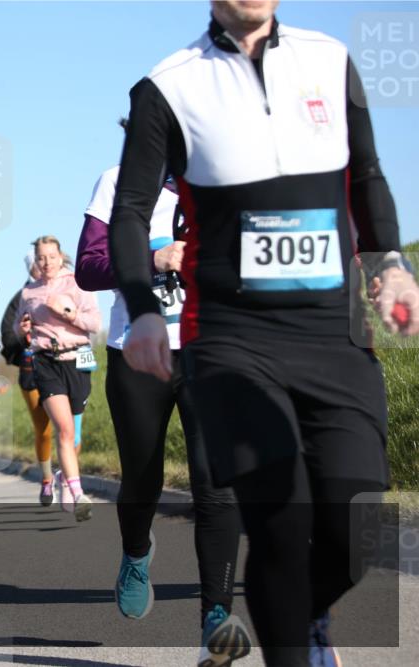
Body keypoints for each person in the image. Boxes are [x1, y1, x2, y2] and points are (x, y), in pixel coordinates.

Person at [107, 2, 419, 665]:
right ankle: (289, 637)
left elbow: (366, 176)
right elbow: (129, 212)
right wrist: (140, 310)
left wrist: (389, 263)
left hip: (335, 334)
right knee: (279, 527)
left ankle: (295, 617)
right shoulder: (169, 85)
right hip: (232, 341)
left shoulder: (329, 60)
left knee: (356, 523)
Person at [77, 160, 248, 665]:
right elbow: (88, 266)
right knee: (141, 481)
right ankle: (135, 552)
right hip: (137, 350)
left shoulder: (231, 178)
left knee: (215, 485)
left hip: (212, 350)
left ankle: (215, 619)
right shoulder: (119, 180)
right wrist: (156, 257)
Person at [14, 235, 100, 520]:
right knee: (63, 429)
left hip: (78, 359)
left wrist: (66, 312)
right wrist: (23, 329)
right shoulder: (29, 293)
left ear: (60, 256)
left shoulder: (78, 282)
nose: (46, 262)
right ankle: (79, 494)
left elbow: (94, 324)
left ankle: (65, 476)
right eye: (40, 257)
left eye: (51, 256)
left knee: (74, 436)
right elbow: (17, 330)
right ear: (35, 260)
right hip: (46, 361)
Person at [0, 249, 56, 505]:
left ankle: (70, 480)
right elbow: (8, 339)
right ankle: (47, 480)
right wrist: (25, 336)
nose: (42, 266)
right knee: (44, 431)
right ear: (30, 269)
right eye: (37, 263)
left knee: (69, 432)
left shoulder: (65, 288)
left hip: (64, 369)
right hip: (31, 372)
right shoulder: (19, 300)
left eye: (48, 260)